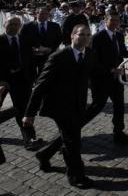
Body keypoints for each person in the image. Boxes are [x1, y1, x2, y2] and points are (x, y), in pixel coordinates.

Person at [23, 24, 95, 189]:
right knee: (73, 142)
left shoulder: (90, 54)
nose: (84, 38)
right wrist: (29, 113)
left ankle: (44, 154)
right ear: (72, 36)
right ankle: (76, 176)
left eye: (88, 35)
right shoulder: (59, 56)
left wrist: (114, 71)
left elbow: (96, 71)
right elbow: (40, 85)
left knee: (69, 137)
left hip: (78, 105)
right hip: (60, 106)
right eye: (81, 34)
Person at [86, 10, 128, 145]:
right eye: (112, 20)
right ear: (105, 21)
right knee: (96, 107)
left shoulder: (119, 35)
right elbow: (94, 60)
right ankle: (72, 131)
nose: (115, 23)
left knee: (119, 106)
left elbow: (123, 53)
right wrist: (110, 70)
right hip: (102, 80)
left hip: (117, 79)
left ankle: (118, 133)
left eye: (117, 21)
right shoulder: (97, 37)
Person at [0, 16, 42, 151]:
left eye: (16, 24)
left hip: (23, 80)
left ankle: (29, 138)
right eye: (10, 24)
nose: (13, 26)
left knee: (23, 108)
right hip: (3, 81)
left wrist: (33, 77)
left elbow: (31, 60)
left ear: (20, 26)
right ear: (4, 24)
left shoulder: (25, 40)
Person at [20, 6, 62, 78]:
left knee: (45, 76)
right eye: (41, 13)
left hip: (48, 56)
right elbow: (22, 40)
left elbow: (59, 40)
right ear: (36, 14)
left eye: (46, 14)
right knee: (31, 76)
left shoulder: (55, 26)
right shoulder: (27, 26)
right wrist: (32, 49)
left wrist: (51, 49)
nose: (43, 16)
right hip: (32, 56)